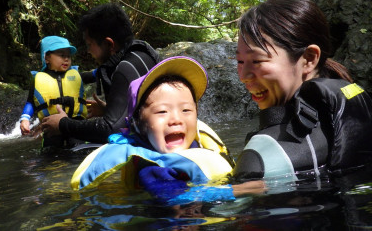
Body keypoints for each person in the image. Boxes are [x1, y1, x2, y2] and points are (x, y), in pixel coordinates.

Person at [71, 56, 265, 202]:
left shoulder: (194, 145)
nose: (176, 119)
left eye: (186, 110)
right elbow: (174, 197)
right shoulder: (153, 168)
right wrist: (238, 190)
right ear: (139, 125)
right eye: (162, 111)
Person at [232, 0, 372, 182]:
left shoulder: (261, 157)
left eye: (257, 60)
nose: (243, 76)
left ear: (309, 58)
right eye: (240, 61)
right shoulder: (357, 112)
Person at [42, 3, 160, 144]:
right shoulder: (141, 55)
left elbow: (111, 129)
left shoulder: (125, 68)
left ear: (109, 44)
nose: (88, 51)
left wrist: (62, 124)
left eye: (89, 44)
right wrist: (109, 111)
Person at [19, 35, 87, 148]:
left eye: (68, 56)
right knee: (51, 155)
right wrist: (25, 119)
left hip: (76, 124)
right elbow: (31, 102)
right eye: (62, 55)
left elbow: (97, 73)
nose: (66, 59)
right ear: (47, 58)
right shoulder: (38, 79)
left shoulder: (76, 74)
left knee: (79, 149)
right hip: (51, 127)